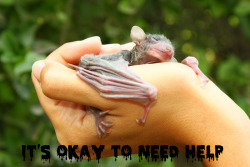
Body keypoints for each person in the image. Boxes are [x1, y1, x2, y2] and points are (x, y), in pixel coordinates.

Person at [31, 36, 250, 166]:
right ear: (140, 44)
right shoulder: (127, 59)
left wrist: (190, 106)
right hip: (109, 76)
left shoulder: (168, 65)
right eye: (154, 43)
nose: (165, 49)